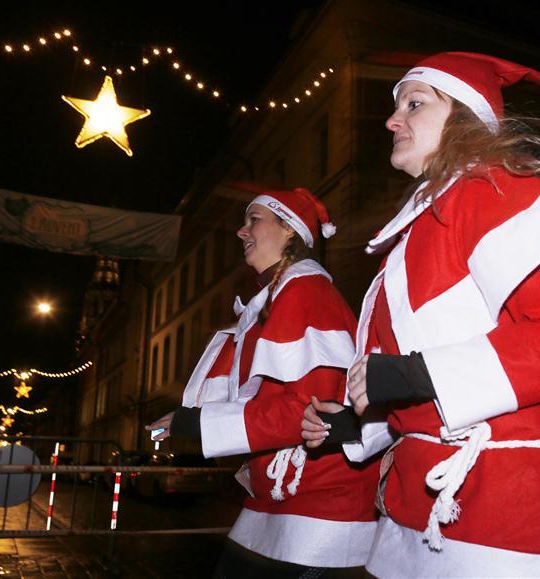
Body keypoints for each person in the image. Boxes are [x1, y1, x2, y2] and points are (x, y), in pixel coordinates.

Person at [301, 52, 540, 577]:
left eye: (414, 104)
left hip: (517, 522)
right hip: (421, 514)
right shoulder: (419, 226)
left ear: (465, 116)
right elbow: (423, 387)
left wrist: (416, 373)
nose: (391, 120)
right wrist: (352, 423)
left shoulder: (493, 190)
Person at [147, 186, 381, 577]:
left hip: (319, 504)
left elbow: (310, 411)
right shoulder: (278, 296)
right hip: (282, 497)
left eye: (254, 219)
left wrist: (194, 423)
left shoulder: (305, 292)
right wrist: (193, 418)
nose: (242, 231)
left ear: (289, 230)